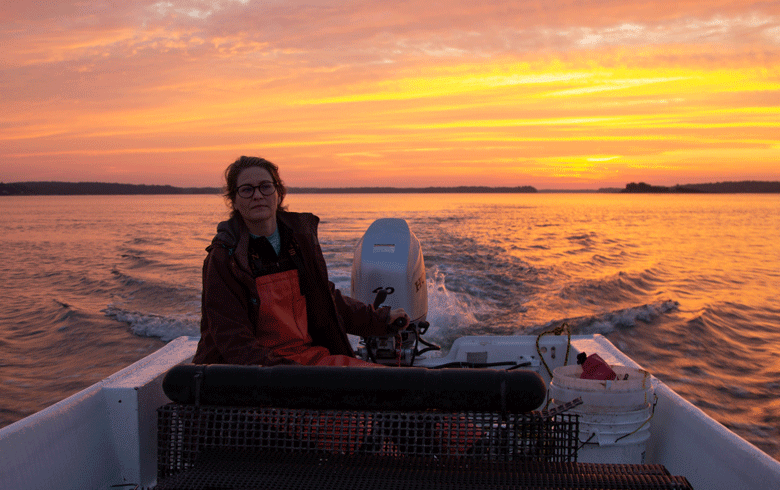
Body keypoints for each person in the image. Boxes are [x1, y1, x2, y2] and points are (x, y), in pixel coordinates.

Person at [193, 156, 409, 367]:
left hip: (308, 359)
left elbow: (327, 300)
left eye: (265, 187)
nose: (257, 195)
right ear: (234, 201)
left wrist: (381, 319)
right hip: (256, 372)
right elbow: (234, 341)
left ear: (279, 194)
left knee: (391, 388)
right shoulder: (225, 258)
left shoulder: (298, 243)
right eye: (247, 189)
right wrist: (293, 376)